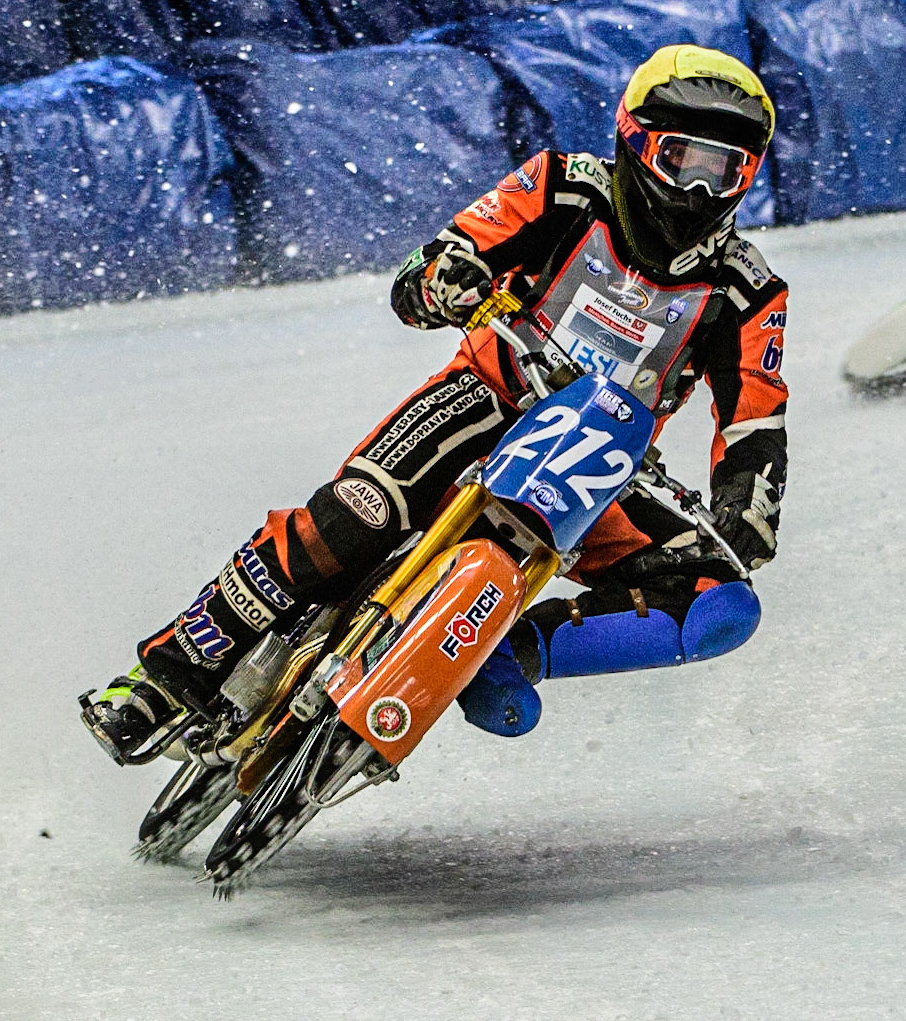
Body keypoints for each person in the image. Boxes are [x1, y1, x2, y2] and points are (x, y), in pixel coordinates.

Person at [82, 44, 788, 761]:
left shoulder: (748, 288)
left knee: (716, 604)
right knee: (356, 516)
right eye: (682, 161)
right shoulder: (561, 187)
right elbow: (441, 260)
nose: (698, 191)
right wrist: (443, 280)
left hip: (601, 459)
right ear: (634, 142)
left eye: (722, 170)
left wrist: (749, 501)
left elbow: (754, 414)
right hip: (488, 396)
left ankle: (502, 655)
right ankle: (162, 677)